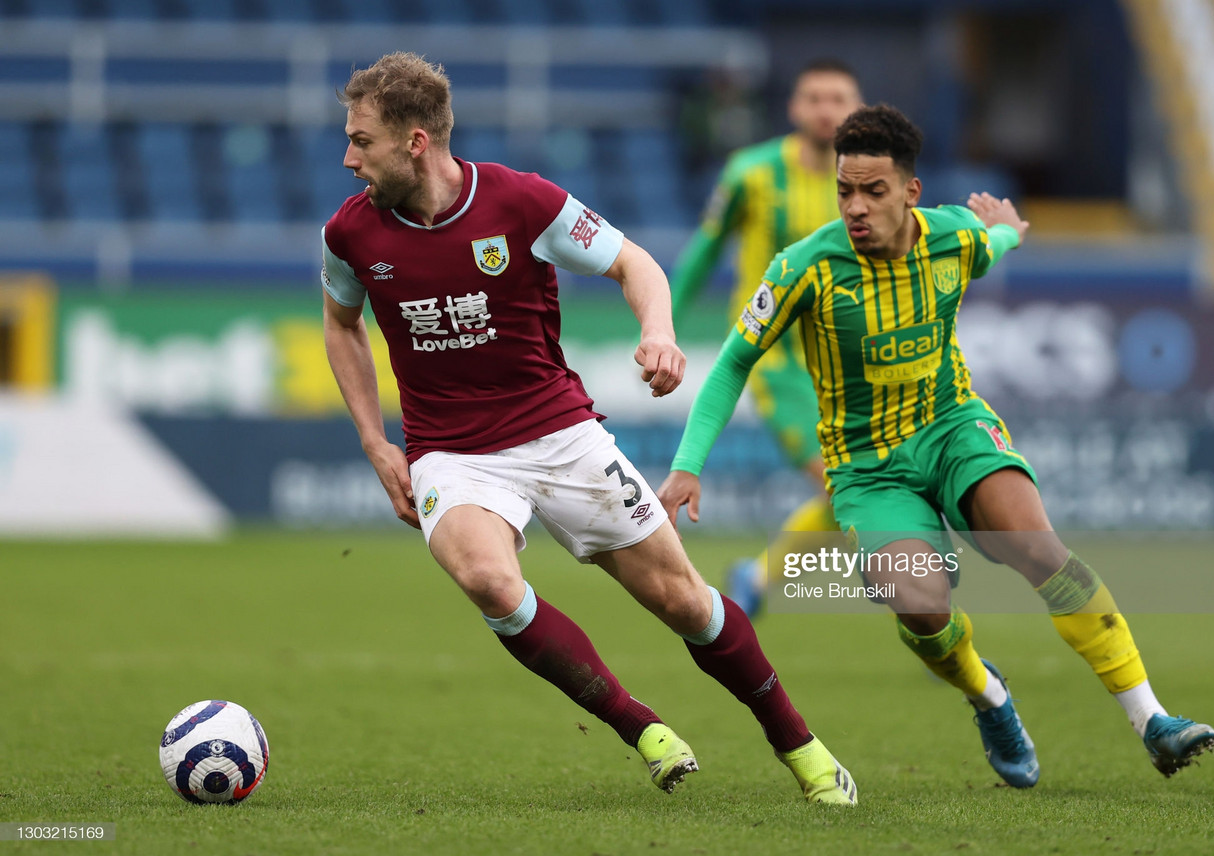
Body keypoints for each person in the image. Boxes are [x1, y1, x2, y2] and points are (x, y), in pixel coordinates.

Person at [319, 52, 857, 805]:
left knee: (684, 603)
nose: (348, 158)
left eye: (362, 141)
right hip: (451, 451)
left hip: (560, 434)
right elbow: (341, 326)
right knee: (488, 581)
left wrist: (659, 330)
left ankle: (799, 744)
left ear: (415, 141)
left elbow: (635, 263)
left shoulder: (521, 202)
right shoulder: (350, 234)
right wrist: (377, 442)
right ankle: (642, 728)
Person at [658, 104, 1214, 788]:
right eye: (844, 191)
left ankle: (1153, 720)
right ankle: (989, 695)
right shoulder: (804, 267)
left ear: (911, 193)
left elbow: (991, 244)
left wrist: (1008, 232)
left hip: (953, 427)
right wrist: (687, 466)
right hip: (869, 470)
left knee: (1039, 547)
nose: (855, 207)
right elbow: (733, 364)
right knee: (922, 607)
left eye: (873, 191)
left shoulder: (950, 237)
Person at [669, 59, 863, 617]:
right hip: (778, 360)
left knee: (860, 485)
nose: (826, 109)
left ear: (857, 108)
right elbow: (707, 248)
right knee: (841, 485)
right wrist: (664, 321)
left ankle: (756, 576)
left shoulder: (869, 182)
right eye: (814, 98)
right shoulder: (750, 173)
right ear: (794, 108)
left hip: (848, 362)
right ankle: (921, 605)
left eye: (838, 97)